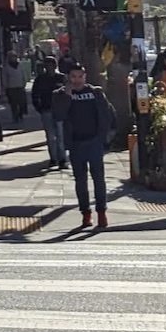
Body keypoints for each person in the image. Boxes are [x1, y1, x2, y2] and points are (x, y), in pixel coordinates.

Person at [57, 64, 117, 230]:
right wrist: (67, 97)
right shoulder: (61, 94)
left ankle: (102, 213)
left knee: (99, 179)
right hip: (76, 144)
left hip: (94, 142)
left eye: (80, 76)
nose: (77, 80)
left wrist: (106, 137)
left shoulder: (96, 93)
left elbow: (108, 114)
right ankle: (86, 214)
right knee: (80, 181)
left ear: (85, 77)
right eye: (73, 77)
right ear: (68, 78)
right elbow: (59, 115)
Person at [30, 56, 66, 169]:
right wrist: (39, 108)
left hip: (60, 111)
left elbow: (69, 93)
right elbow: (35, 95)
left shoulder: (61, 78)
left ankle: (63, 159)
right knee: (50, 136)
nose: (49, 67)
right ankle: (53, 158)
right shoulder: (40, 79)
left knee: (61, 136)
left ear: (55, 66)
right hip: (46, 110)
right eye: (47, 65)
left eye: (52, 65)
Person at [1, 51, 29, 125]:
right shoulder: (6, 67)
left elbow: (23, 74)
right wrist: (5, 87)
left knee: (22, 103)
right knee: (13, 104)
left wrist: (24, 82)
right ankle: (15, 116)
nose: (13, 58)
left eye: (14, 56)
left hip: (20, 86)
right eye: (11, 57)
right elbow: (4, 78)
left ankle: (20, 114)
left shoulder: (20, 65)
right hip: (11, 88)